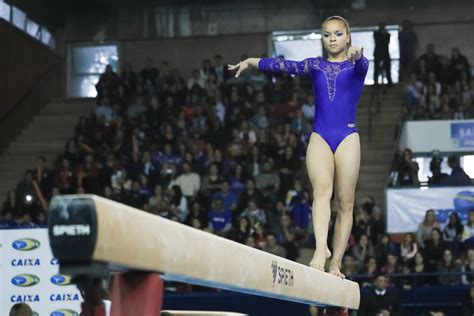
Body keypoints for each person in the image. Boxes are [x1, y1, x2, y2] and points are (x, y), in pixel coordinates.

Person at [228, 15, 368, 278]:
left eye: (338, 34)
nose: (332, 39)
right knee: (321, 191)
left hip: (348, 137)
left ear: (347, 37)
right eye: (327, 35)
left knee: (346, 202)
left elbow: (361, 63)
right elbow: (283, 65)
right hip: (321, 136)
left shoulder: (356, 65)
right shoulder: (315, 65)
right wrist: (251, 62)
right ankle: (319, 249)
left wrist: (358, 54)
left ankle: (336, 262)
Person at [373, 22, 392, 86]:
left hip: (385, 53)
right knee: (376, 69)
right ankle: (376, 82)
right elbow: (378, 42)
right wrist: (382, 35)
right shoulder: (376, 34)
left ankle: (389, 82)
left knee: (387, 68)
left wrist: (384, 34)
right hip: (378, 53)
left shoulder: (387, 34)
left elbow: (386, 43)